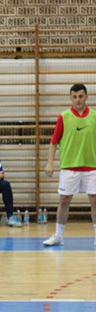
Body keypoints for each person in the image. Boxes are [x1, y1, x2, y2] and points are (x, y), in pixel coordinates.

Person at [42, 84, 96, 246]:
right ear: (70, 98)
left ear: (86, 97)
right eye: (74, 97)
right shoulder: (64, 117)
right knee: (64, 201)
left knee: (95, 200)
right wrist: (49, 163)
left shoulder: (94, 116)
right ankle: (58, 236)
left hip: (92, 167)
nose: (77, 100)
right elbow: (53, 142)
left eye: (80, 96)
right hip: (69, 167)